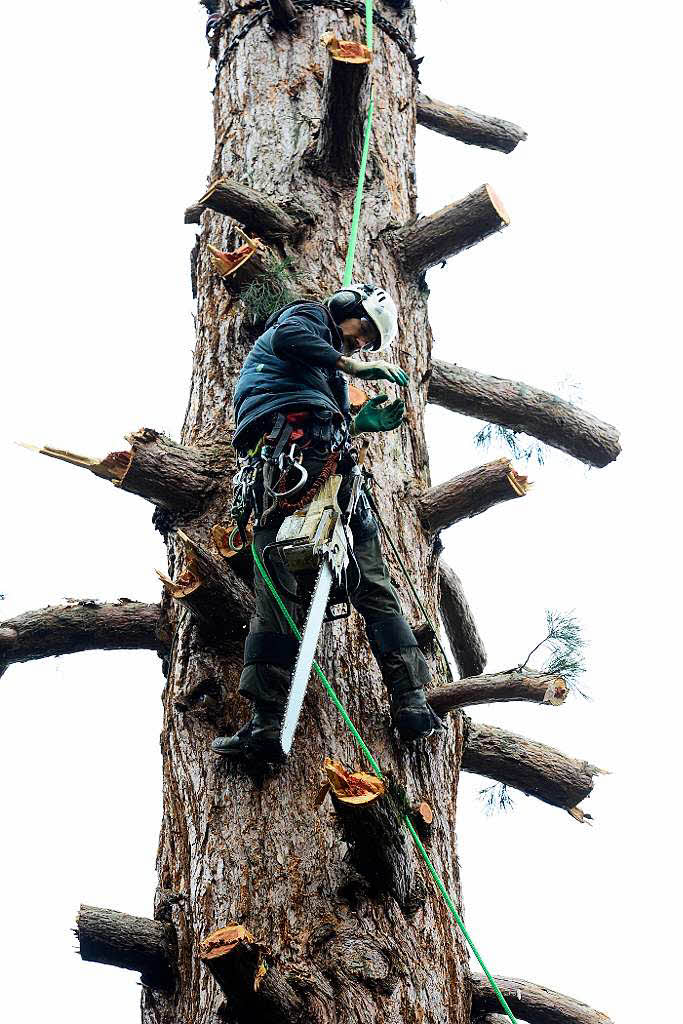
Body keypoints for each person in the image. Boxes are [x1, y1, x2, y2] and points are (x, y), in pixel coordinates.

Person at [212, 283, 443, 760]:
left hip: (313, 464)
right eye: (362, 333)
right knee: (366, 583)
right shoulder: (308, 318)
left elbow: (329, 415)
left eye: (364, 346)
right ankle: (408, 698)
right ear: (346, 308)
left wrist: (359, 423)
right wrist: (353, 367)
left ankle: (406, 700)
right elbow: (290, 341)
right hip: (301, 456)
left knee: (285, 579)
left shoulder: (329, 370)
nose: (359, 345)